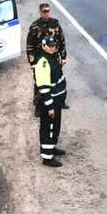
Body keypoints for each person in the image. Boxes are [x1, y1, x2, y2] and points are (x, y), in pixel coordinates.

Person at [27, 3, 69, 110]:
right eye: (44, 12)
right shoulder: (35, 27)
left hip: (54, 58)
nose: (46, 13)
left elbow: (62, 41)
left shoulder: (55, 24)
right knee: (40, 83)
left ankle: (60, 101)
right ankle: (38, 106)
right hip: (40, 60)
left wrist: (63, 56)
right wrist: (32, 62)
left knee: (58, 79)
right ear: (40, 12)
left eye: (48, 11)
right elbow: (30, 46)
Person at [34, 37, 67, 168]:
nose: (53, 47)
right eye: (50, 45)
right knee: (49, 128)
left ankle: (52, 148)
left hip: (56, 100)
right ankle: (47, 158)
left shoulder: (52, 57)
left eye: (53, 45)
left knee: (55, 127)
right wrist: (50, 106)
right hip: (50, 102)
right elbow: (43, 87)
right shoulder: (43, 62)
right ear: (44, 46)